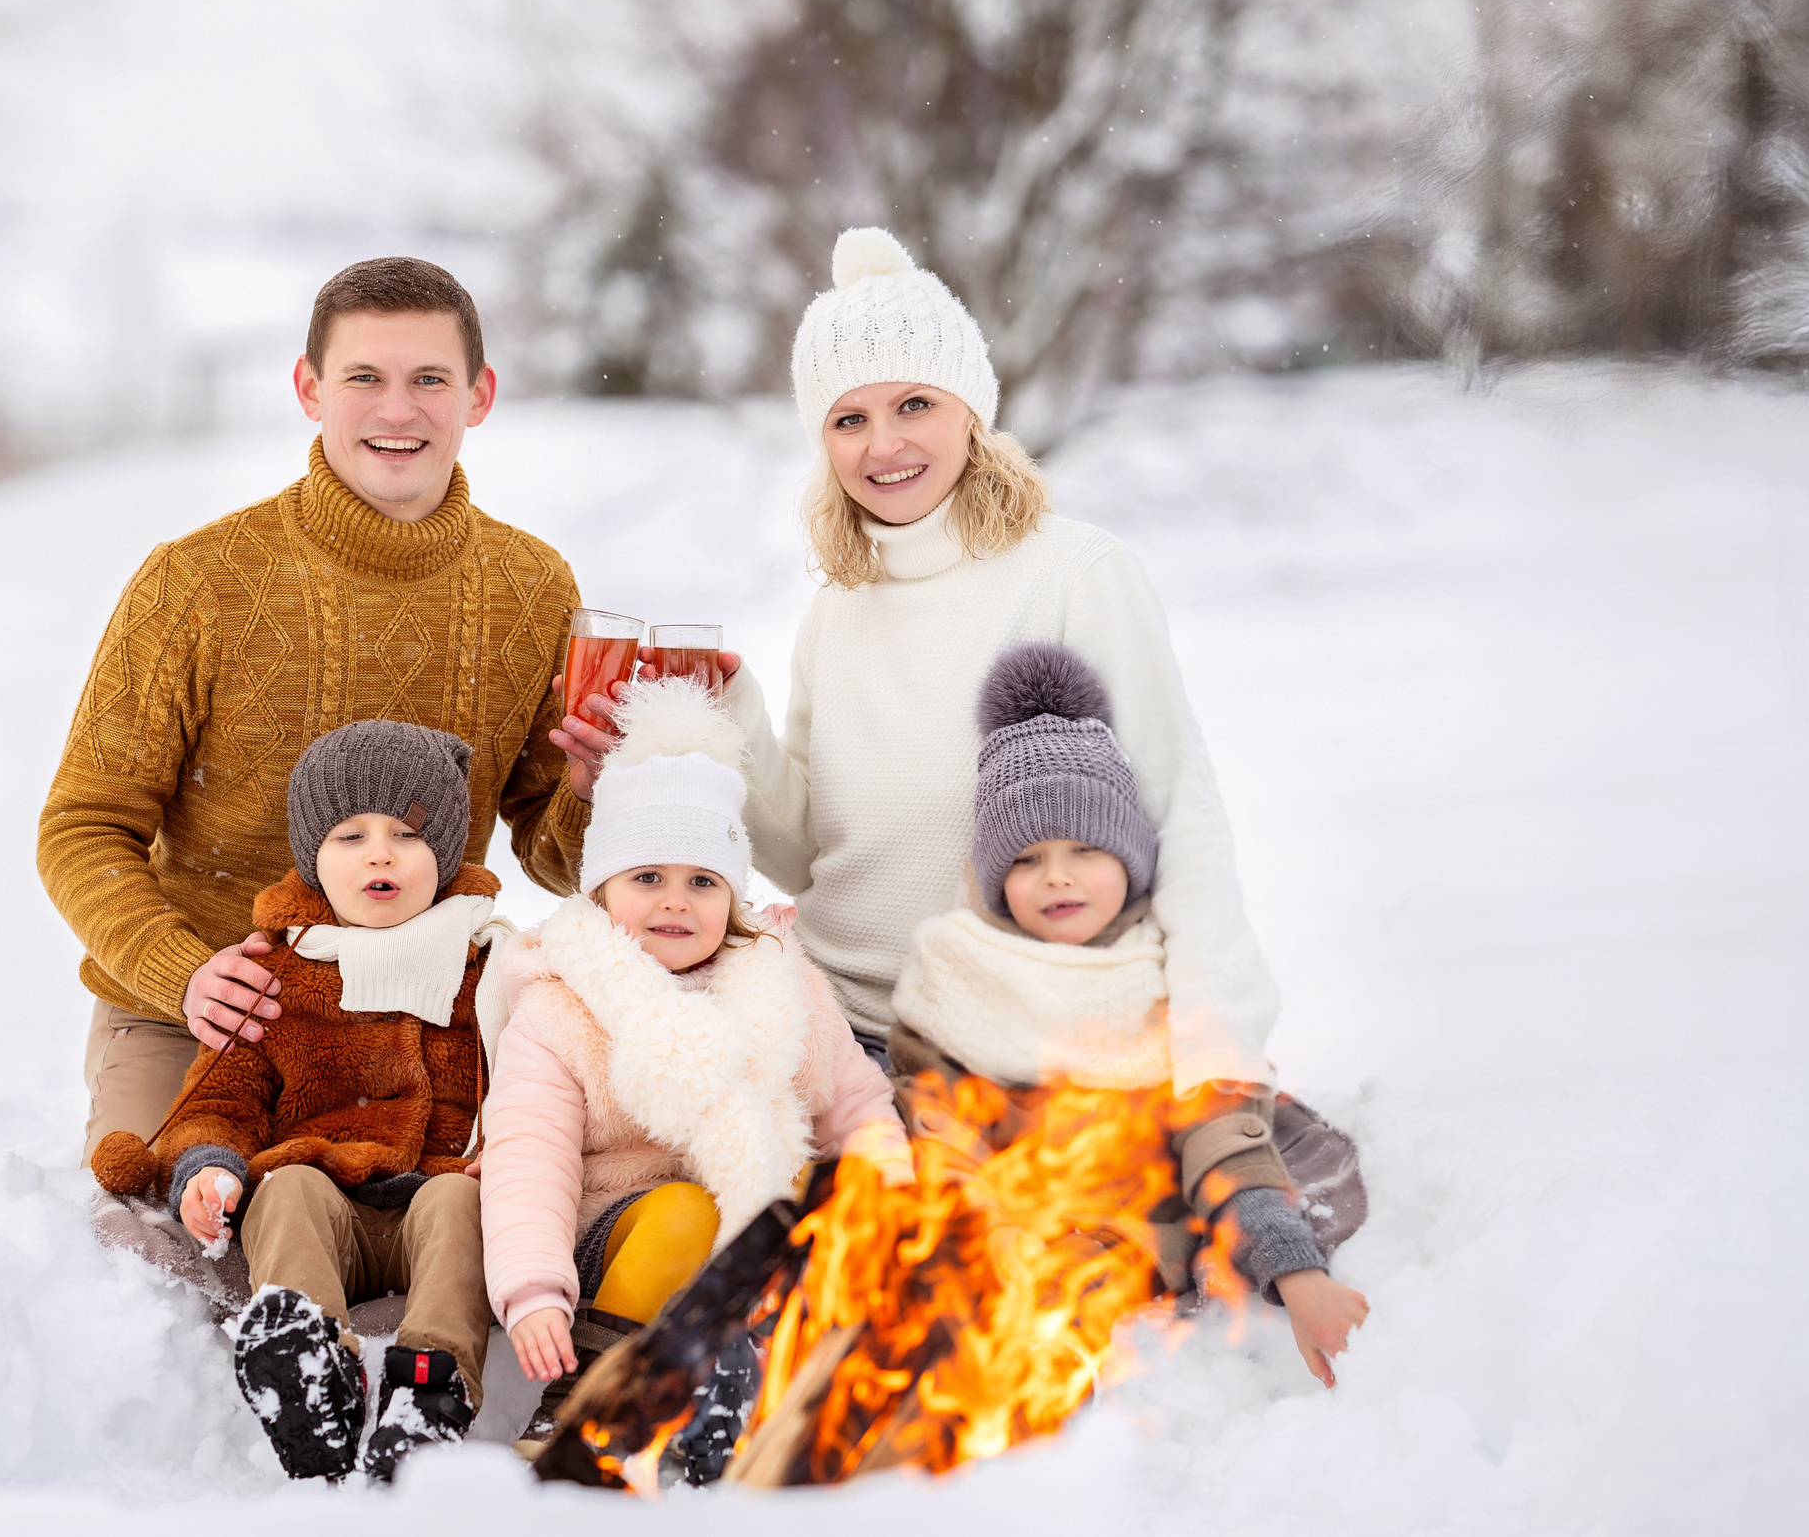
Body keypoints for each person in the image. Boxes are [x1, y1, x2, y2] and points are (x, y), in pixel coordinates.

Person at [552, 226, 1281, 1091]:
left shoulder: (1075, 575)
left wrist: (1219, 1054)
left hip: (1012, 1040)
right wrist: (726, 726)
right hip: (834, 1028)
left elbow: (1178, 813)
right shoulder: (839, 605)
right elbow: (815, 853)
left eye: (915, 405)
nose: (883, 445)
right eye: (849, 419)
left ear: (970, 408)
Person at [39, 257, 593, 1191]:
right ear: (309, 388)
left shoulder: (534, 587)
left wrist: (592, 789)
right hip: (214, 1016)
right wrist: (184, 972)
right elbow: (83, 825)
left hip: (428, 1021)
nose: (397, 409)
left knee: (488, 1221)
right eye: (364, 376)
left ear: (479, 394)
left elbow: (552, 848)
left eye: (430, 379)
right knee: (170, 1232)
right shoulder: (196, 581)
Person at [887, 643, 1370, 1387]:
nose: (1056, 876)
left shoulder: (1169, 979)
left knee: (1224, 1195)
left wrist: (1296, 1272)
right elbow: (939, 1126)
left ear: (1131, 857)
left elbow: (1219, 1133)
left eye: (1086, 848)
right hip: (1015, 1204)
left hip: (1143, 1196)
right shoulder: (959, 972)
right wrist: (987, 1227)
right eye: (1025, 859)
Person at [478, 677, 906, 1470]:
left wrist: (890, 1206)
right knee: (682, 1211)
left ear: (732, 894)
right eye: (648, 877)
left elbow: (858, 1108)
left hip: (748, 1228)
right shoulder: (562, 1004)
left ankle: (775, 1397)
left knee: (813, 1205)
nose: (675, 901)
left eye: (702, 881)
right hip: (622, 1235)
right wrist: (532, 1287)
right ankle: (591, 1402)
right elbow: (528, 1156)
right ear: (602, 887)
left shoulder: (782, 985)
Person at [96, 720, 505, 1482]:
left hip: (435, 1194)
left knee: (460, 1203)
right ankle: (311, 1364)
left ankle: (432, 1387)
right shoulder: (280, 975)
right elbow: (219, 1099)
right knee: (286, 1187)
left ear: (447, 852)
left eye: (408, 834)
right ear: (313, 855)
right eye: (351, 835)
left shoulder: (491, 971)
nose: (380, 854)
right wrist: (207, 1167)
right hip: (325, 1209)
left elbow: (536, 1084)